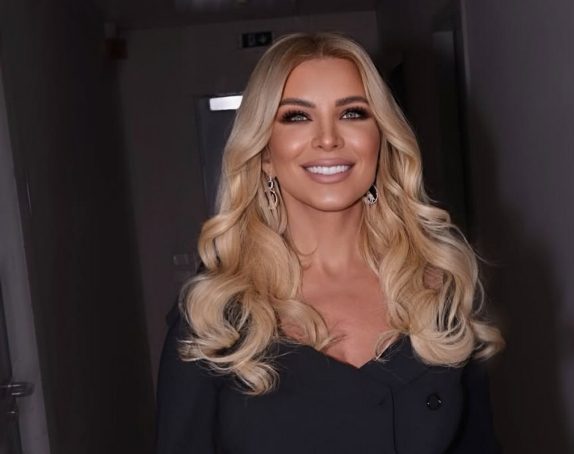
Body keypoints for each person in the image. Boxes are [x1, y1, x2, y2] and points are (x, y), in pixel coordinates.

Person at [155, 32, 504, 454]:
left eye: (352, 113)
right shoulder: (214, 312)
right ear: (264, 154)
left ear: (381, 139)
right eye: (297, 117)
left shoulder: (439, 288)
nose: (327, 138)